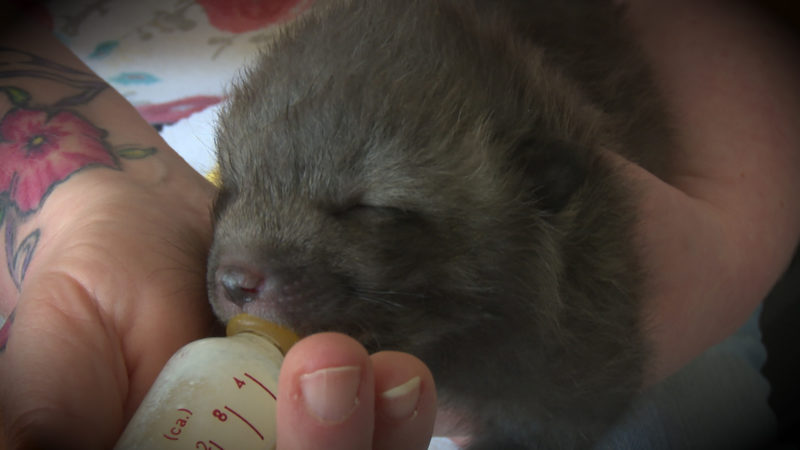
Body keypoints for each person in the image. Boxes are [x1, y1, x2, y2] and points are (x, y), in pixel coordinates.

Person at [0, 0, 798, 449]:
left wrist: (730, 228)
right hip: (162, 138)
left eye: (369, 210)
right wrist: (87, 196)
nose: (242, 271)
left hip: (649, 208)